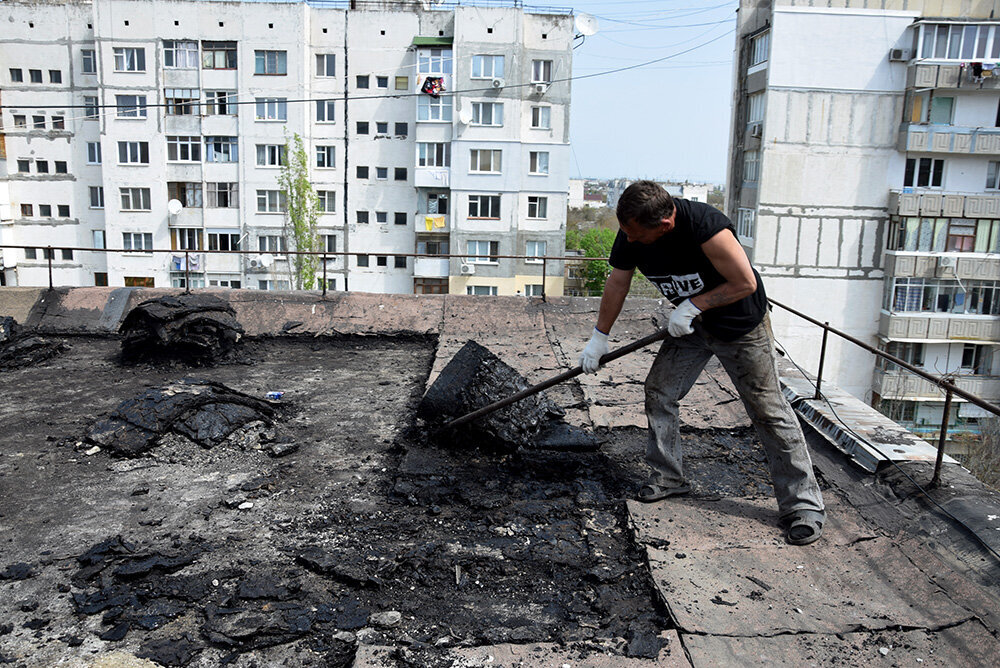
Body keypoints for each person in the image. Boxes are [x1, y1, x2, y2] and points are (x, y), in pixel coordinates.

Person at [578, 181, 825, 546]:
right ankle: (668, 477)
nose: (628, 240)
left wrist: (696, 305)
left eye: (635, 234)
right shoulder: (631, 230)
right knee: (660, 391)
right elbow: (617, 282)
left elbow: (743, 282)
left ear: (664, 225)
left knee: (768, 410)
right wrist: (600, 336)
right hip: (690, 327)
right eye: (625, 232)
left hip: (739, 327)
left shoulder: (707, 227)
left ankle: (802, 506)